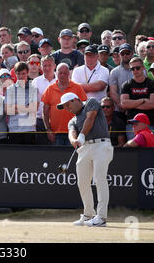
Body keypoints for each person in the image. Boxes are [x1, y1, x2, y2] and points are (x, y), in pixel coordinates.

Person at [59, 93, 114, 227]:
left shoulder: (91, 102)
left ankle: (101, 217)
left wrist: (82, 134)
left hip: (101, 145)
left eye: (68, 104)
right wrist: (75, 140)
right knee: (82, 182)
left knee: (100, 179)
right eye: (65, 107)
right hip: (84, 149)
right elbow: (71, 134)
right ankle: (88, 214)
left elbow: (91, 117)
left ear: (76, 100)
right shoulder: (72, 120)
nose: (67, 108)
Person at [43, 63, 87, 145]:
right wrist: (48, 130)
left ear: (69, 74)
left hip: (75, 131)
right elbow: (45, 112)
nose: (62, 75)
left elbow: (84, 109)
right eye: (60, 73)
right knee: (57, 157)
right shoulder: (50, 89)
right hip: (56, 133)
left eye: (65, 73)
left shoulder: (77, 88)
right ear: (56, 73)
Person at [121, 57, 154, 145]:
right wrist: (142, 100)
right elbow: (124, 104)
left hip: (148, 124)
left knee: (150, 152)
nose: (135, 70)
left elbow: (152, 104)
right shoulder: (126, 85)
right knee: (133, 153)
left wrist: (132, 104)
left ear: (143, 67)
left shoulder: (152, 84)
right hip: (132, 125)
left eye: (137, 68)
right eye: (132, 69)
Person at [5, 62, 39, 144]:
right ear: (15, 74)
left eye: (23, 73)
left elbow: (34, 108)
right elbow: (8, 111)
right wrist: (26, 107)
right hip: (14, 129)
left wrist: (16, 107)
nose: (21, 76)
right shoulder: (10, 89)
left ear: (27, 73)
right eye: (18, 74)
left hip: (29, 129)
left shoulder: (33, 89)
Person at [32, 55, 57, 144]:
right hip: (40, 121)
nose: (47, 68)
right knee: (42, 151)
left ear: (54, 66)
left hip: (57, 120)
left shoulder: (61, 80)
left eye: (49, 65)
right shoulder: (36, 81)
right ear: (41, 67)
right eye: (44, 66)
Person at [109, 43, 134, 112]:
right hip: (120, 110)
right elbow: (113, 92)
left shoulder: (140, 69)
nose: (125, 55)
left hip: (137, 108)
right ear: (119, 55)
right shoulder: (114, 72)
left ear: (132, 54)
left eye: (127, 53)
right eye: (122, 54)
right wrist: (121, 105)